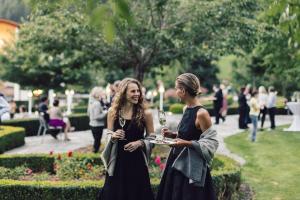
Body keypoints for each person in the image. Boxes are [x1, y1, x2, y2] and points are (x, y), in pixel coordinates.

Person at [156, 73, 218, 200]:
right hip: (176, 163)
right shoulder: (186, 109)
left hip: (190, 169)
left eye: (176, 88)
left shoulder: (202, 113)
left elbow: (211, 143)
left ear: (183, 91)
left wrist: (186, 143)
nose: (176, 91)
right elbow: (188, 134)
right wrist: (173, 135)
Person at [99, 78, 155, 200]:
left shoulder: (146, 113)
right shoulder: (113, 112)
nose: (137, 94)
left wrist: (140, 143)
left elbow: (152, 138)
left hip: (137, 161)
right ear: (123, 93)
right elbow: (108, 134)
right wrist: (113, 136)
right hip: (117, 160)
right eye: (132, 91)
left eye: (138, 91)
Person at [88, 87, 107, 153]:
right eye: (101, 93)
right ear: (98, 94)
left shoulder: (91, 102)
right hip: (97, 125)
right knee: (97, 142)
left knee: (96, 141)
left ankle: (94, 152)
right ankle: (94, 154)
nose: (103, 94)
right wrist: (105, 113)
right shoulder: (97, 103)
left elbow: (89, 113)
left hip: (93, 124)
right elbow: (97, 116)